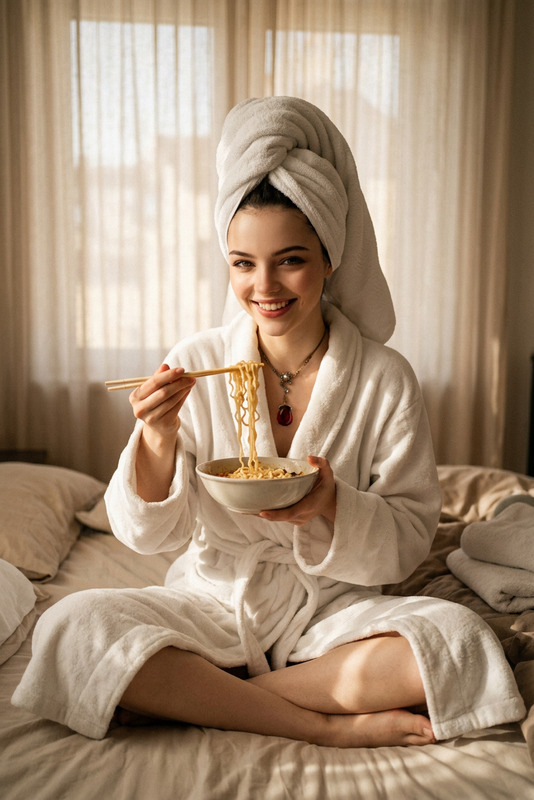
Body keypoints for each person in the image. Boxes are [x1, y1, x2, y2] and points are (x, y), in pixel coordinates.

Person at [12, 97, 524, 747]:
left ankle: (203, 695)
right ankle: (318, 722)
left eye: (291, 259)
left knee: (458, 639)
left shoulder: (384, 376)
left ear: (330, 256)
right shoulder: (198, 363)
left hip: (333, 608)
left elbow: (409, 536)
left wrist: (333, 504)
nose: (265, 288)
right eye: (242, 263)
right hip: (213, 600)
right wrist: (156, 436)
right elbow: (144, 534)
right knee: (71, 627)